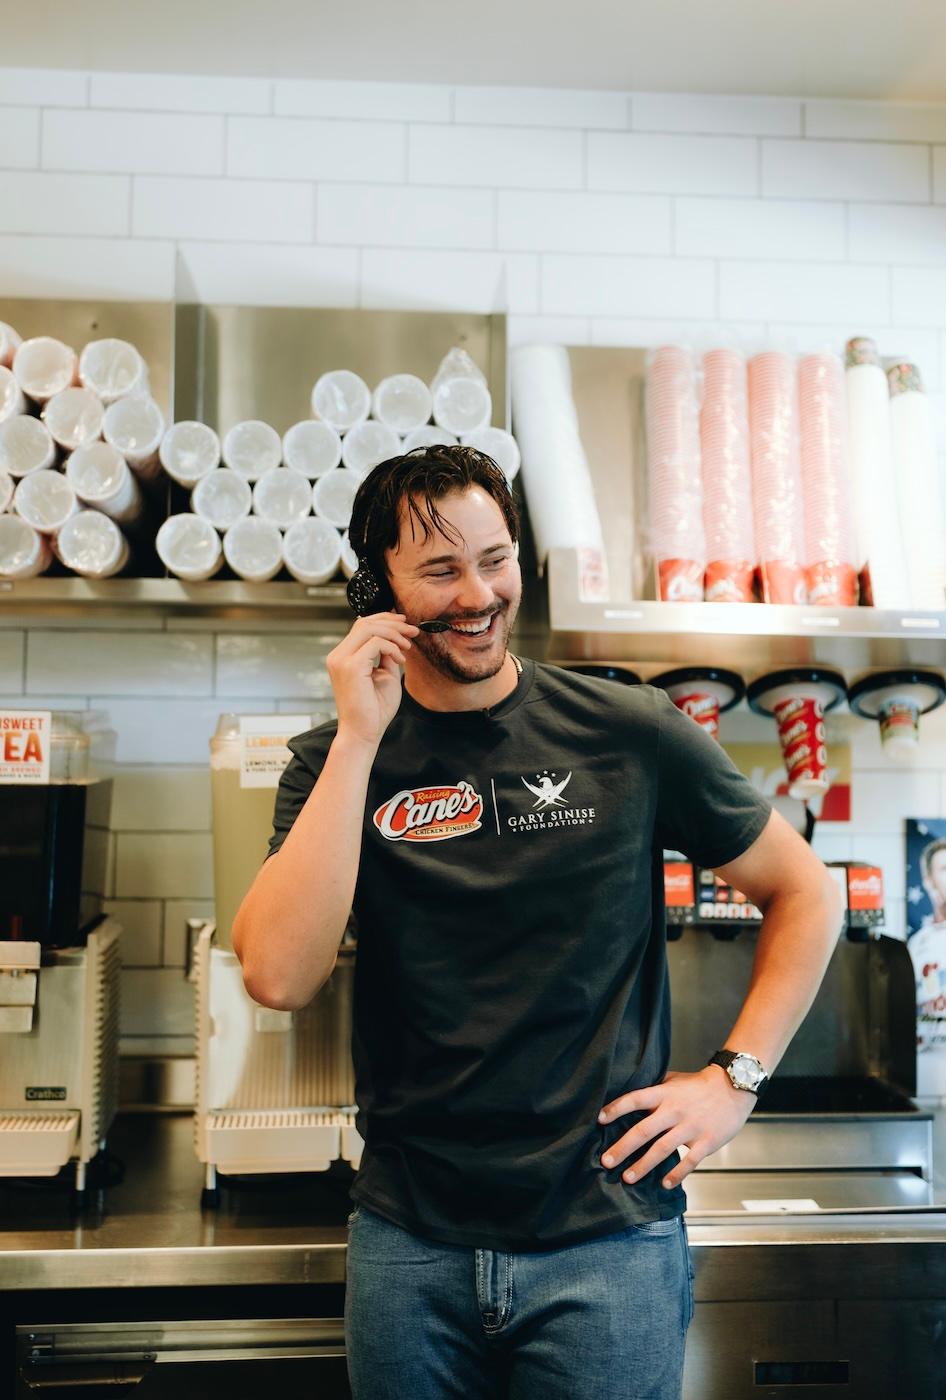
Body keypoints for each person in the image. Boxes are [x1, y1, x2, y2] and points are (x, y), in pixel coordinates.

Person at [232, 444, 843, 1400]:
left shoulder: (628, 731)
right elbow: (277, 974)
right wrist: (360, 736)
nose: (478, 594)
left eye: (496, 558)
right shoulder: (333, 763)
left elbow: (808, 891)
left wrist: (736, 1080)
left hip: (609, 1245)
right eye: (439, 570)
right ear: (376, 590)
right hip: (410, 1243)